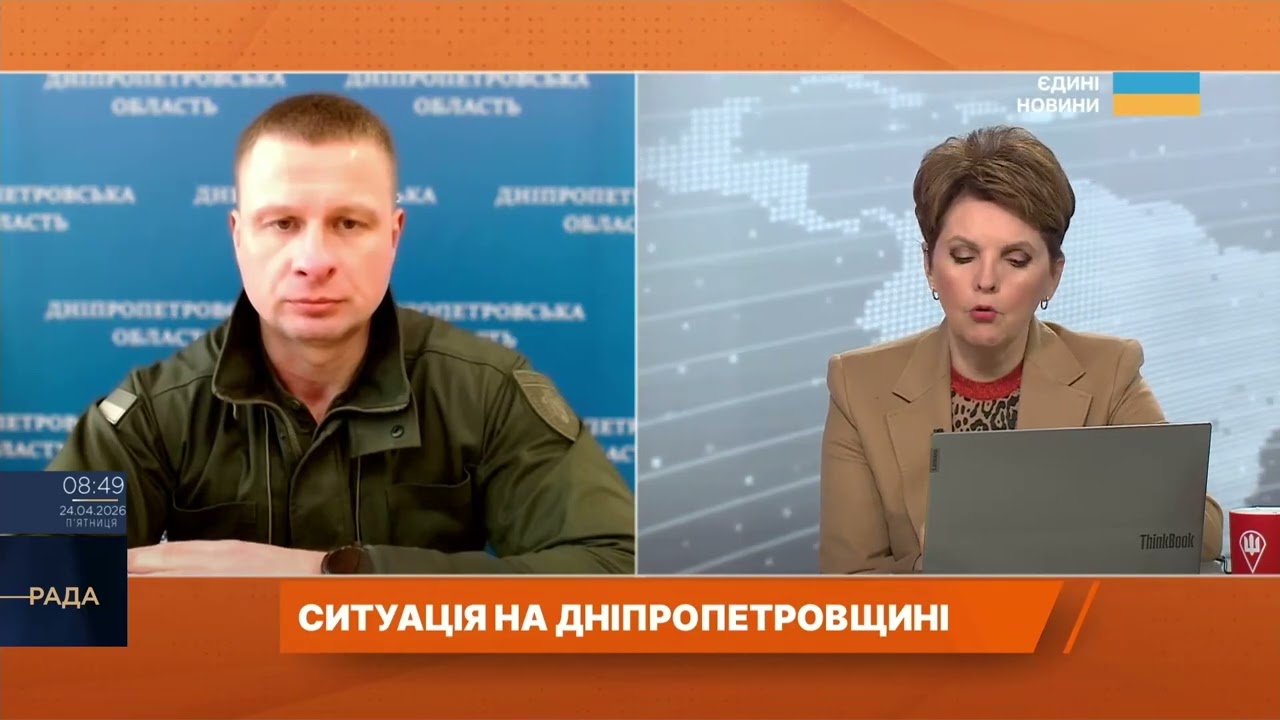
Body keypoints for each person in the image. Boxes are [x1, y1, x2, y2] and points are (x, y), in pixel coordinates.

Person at [47, 92, 636, 575]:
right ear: (238, 236)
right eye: (282, 223)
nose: (314, 260)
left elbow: (615, 567)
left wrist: (333, 573)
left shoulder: (486, 391)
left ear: (394, 235)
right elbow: (31, 589)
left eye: (348, 223)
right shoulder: (153, 411)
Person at [819, 125, 1223, 574]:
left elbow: (1202, 530)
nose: (986, 280)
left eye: (1015, 260)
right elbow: (847, 584)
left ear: (1053, 276)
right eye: (963, 256)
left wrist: (1024, 525)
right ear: (929, 266)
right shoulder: (859, 386)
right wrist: (932, 568)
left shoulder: (1108, 371)